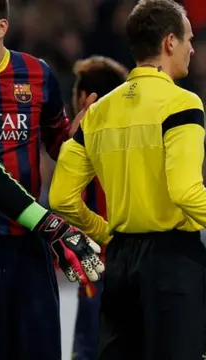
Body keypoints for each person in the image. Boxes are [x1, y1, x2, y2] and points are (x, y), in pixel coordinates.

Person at [47, 1, 206, 359]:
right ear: (169, 42)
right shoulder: (182, 103)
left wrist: (107, 234)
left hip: (119, 263)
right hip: (172, 263)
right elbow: (186, 191)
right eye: (188, 38)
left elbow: (61, 198)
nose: (192, 48)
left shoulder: (98, 112)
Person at [0, 2, 103, 359]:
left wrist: (80, 140)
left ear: (1, 27)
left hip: (28, 244)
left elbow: (57, 142)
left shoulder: (37, 75)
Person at [67, 56, 128, 360]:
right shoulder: (137, 139)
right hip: (137, 265)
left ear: (84, 99)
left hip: (100, 268)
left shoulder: (87, 142)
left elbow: (66, 201)